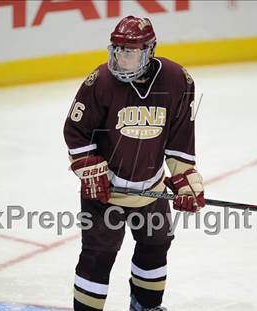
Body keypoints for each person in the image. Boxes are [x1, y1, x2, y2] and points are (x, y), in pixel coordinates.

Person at [63, 16, 205, 311]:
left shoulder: (178, 80)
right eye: (116, 50)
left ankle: (146, 307)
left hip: (150, 190)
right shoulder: (100, 81)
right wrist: (90, 167)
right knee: (98, 255)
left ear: (149, 50)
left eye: (129, 52)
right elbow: (76, 129)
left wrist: (184, 180)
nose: (120, 59)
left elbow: (180, 139)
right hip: (104, 195)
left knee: (156, 246)